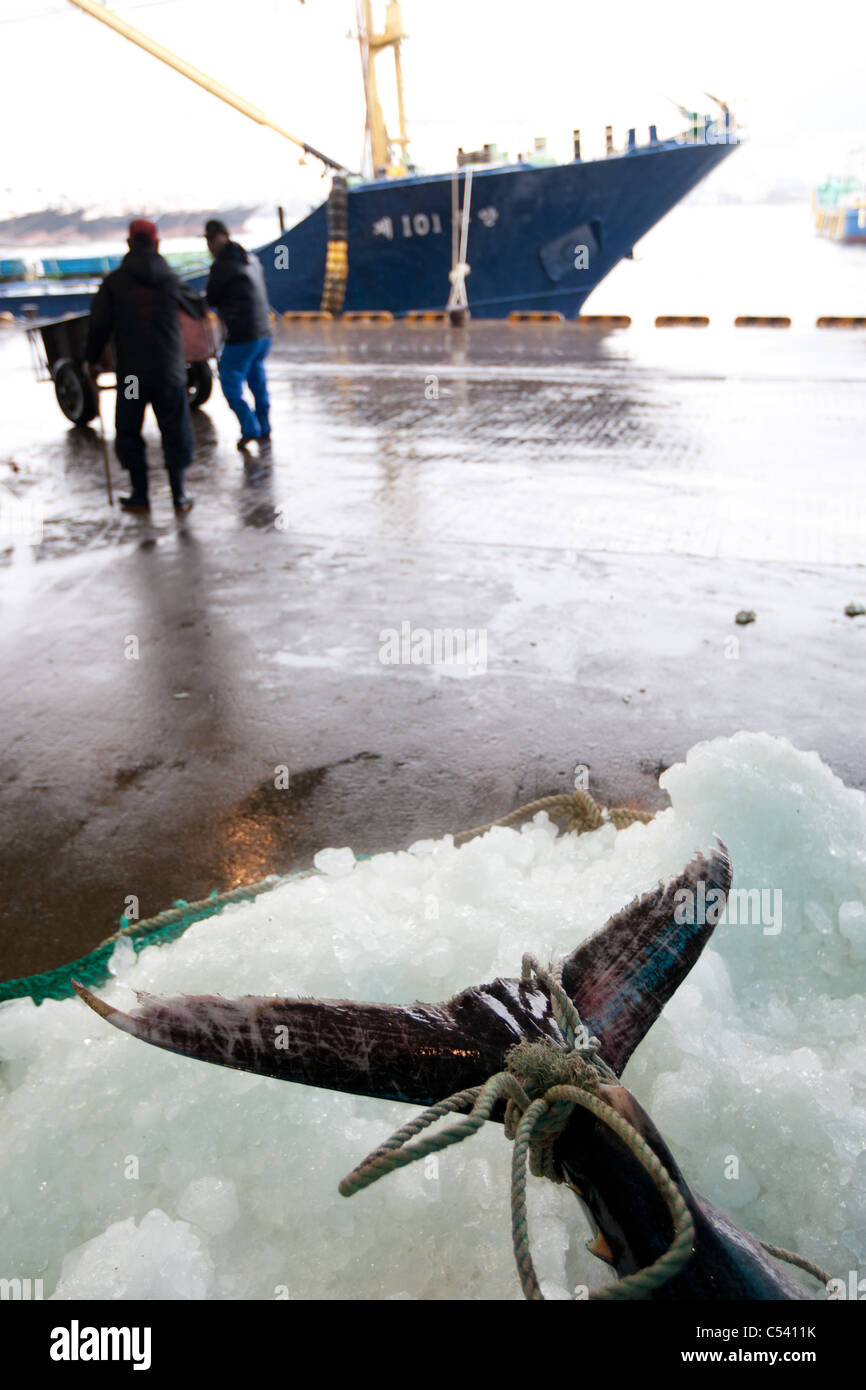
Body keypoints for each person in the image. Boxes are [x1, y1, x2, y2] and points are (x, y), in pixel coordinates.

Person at [86, 218, 205, 514]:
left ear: (129, 243)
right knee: (175, 429)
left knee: (128, 431)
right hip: (169, 371)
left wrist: (89, 360)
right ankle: (179, 494)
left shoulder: (115, 282)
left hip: (132, 377)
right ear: (157, 243)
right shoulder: (170, 279)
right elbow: (199, 307)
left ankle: (140, 494)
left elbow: (98, 326)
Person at [203, 219, 272, 451]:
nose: (208, 247)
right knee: (257, 379)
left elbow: (211, 297)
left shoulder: (223, 264)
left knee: (230, 381)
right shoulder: (250, 258)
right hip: (263, 333)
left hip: (242, 335)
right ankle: (264, 426)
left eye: (209, 240)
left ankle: (249, 428)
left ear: (217, 238)